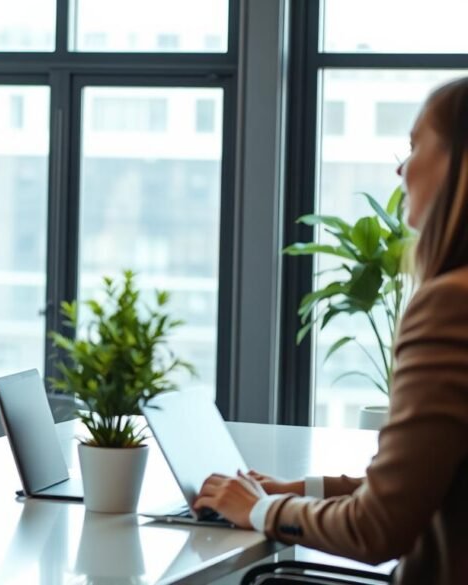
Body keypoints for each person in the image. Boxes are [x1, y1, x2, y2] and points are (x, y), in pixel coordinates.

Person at [194, 77, 468, 584]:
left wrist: (258, 512)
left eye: (414, 146)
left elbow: (378, 528)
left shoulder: (451, 306)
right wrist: (301, 488)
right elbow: (431, 481)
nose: (401, 168)